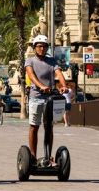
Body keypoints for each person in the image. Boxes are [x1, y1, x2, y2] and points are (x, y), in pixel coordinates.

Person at [25, 35, 67, 163]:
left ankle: (48, 156)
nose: (42, 48)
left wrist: (64, 85)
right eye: (39, 46)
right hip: (36, 97)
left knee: (49, 127)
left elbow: (58, 73)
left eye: (44, 46)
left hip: (49, 99)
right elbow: (31, 75)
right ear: (34, 48)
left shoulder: (52, 61)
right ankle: (32, 156)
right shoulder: (30, 61)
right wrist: (41, 86)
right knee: (34, 126)